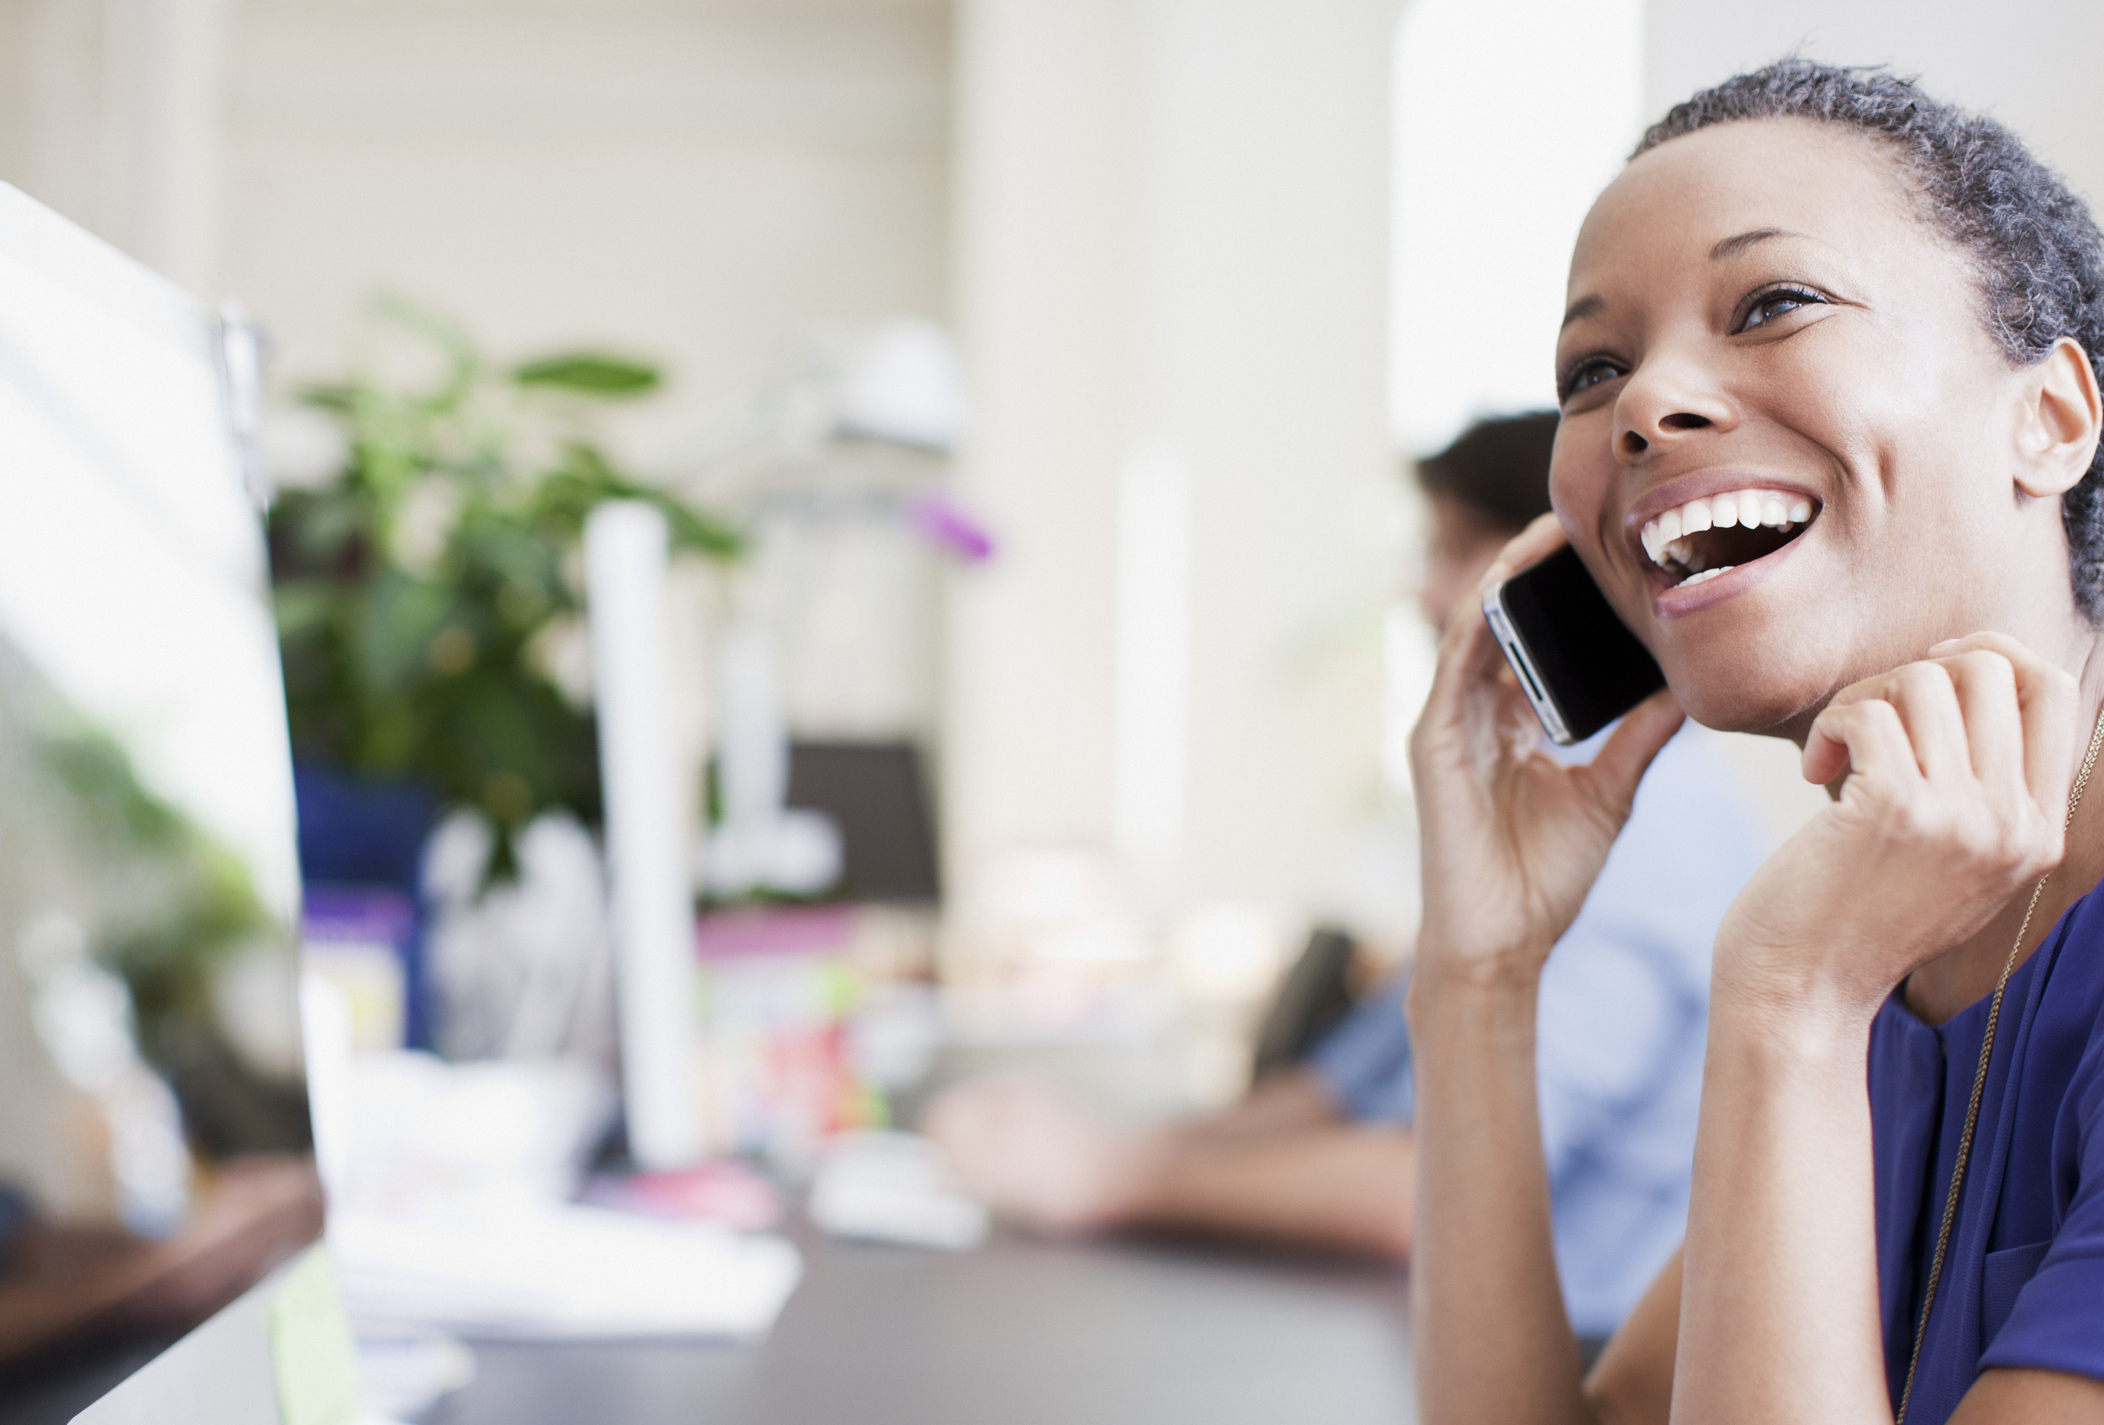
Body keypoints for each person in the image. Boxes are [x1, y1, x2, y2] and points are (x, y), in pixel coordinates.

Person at [1410, 59, 2104, 1425]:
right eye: (1593, 367)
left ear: (2051, 417)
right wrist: (1475, 978)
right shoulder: (1890, 919)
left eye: (1773, 303)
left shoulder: (1825, 962)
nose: (1643, 406)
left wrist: (1791, 1000)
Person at [926, 412, 1766, 1346]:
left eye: (1454, 548)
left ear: (1561, 556)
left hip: (1578, 1361)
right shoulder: (1547, 777)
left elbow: (1428, 1188)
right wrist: (1119, 1145)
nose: (1425, 590)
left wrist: (1108, 1180)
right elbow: (1342, 1089)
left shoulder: (1647, 833)